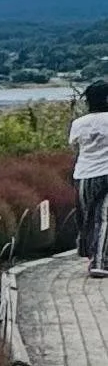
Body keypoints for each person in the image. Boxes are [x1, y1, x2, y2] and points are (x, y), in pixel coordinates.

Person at [70, 81, 108, 272]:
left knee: (87, 218)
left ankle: (92, 256)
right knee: (104, 218)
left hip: (84, 174)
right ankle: (100, 262)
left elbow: (76, 149)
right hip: (106, 173)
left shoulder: (78, 123)